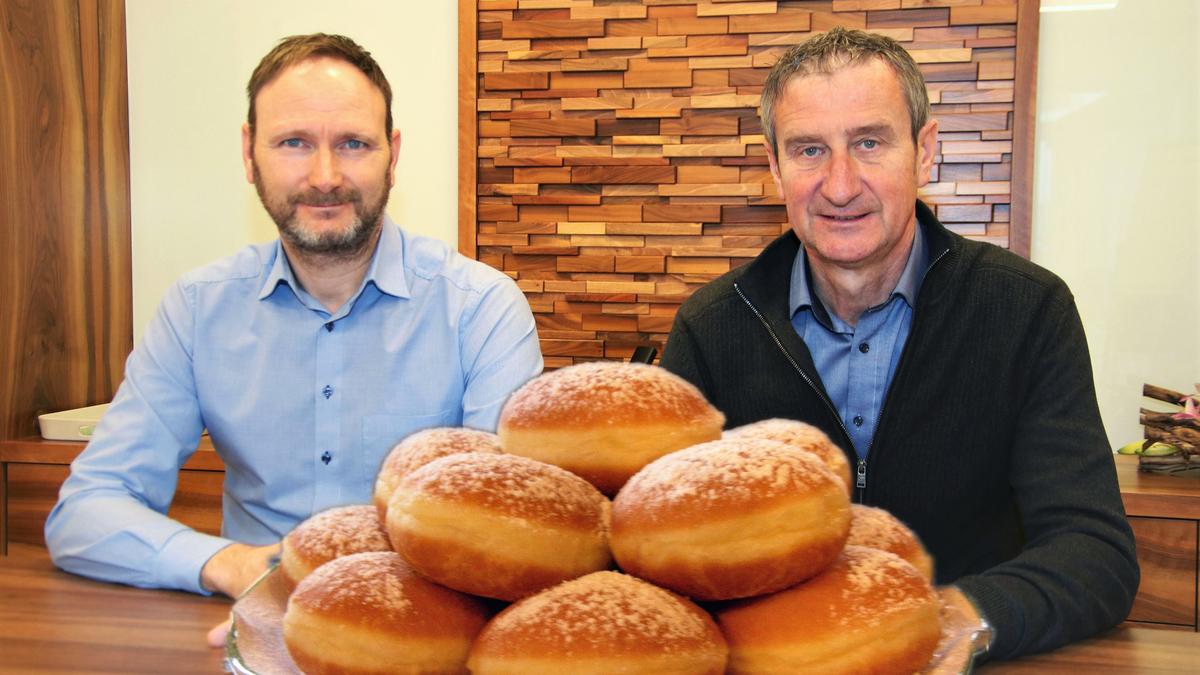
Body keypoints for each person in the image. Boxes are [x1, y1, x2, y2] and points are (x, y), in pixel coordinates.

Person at [660, 28, 1137, 661]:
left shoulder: (1026, 309)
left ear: (924, 150)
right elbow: (660, 548)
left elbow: (1094, 548)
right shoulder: (711, 327)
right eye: (808, 150)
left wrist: (951, 620)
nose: (839, 183)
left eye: (869, 142)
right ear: (774, 168)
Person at [45, 34, 543, 601]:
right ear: (249, 152)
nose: (325, 175)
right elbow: (85, 513)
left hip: (422, 627)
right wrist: (228, 564)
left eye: (354, 143)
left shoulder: (481, 310)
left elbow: (503, 527)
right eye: (294, 143)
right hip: (250, 620)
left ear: (393, 155)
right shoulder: (197, 308)